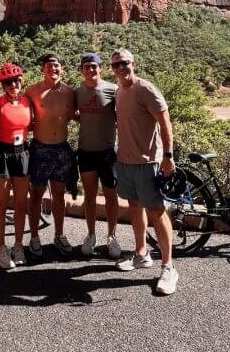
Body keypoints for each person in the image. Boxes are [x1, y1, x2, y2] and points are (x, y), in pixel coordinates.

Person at [111, 48, 179, 295]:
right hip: (126, 162)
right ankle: (141, 253)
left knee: (157, 211)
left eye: (124, 63)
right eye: (116, 65)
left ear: (133, 63)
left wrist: (168, 156)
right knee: (135, 206)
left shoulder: (146, 89)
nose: (121, 68)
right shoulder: (119, 91)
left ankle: (168, 266)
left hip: (148, 162)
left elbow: (164, 122)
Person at [25, 53, 76, 257]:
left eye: (56, 66)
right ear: (43, 69)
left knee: (59, 195)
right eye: (49, 66)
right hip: (40, 148)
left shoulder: (70, 92)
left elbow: (76, 114)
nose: (53, 69)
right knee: (36, 194)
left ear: (61, 69)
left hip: (62, 149)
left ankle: (59, 234)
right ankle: (34, 237)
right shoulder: (32, 91)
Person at [74, 52, 122, 260]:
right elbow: (75, 114)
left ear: (100, 68)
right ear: (81, 70)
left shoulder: (113, 90)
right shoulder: (77, 92)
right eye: (86, 67)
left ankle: (112, 236)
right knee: (90, 196)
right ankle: (91, 235)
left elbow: (122, 116)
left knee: (111, 196)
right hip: (86, 151)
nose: (90, 70)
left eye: (94, 66)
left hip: (108, 152)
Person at [0, 63, 33, 270]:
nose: (13, 85)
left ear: (21, 81)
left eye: (16, 80)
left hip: (22, 153)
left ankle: (18, 245)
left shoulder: (27, 102)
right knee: (1, 203)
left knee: (20, 204)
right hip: (3, 154)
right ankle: (1, 248)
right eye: (8, 82)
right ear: (3, 85)